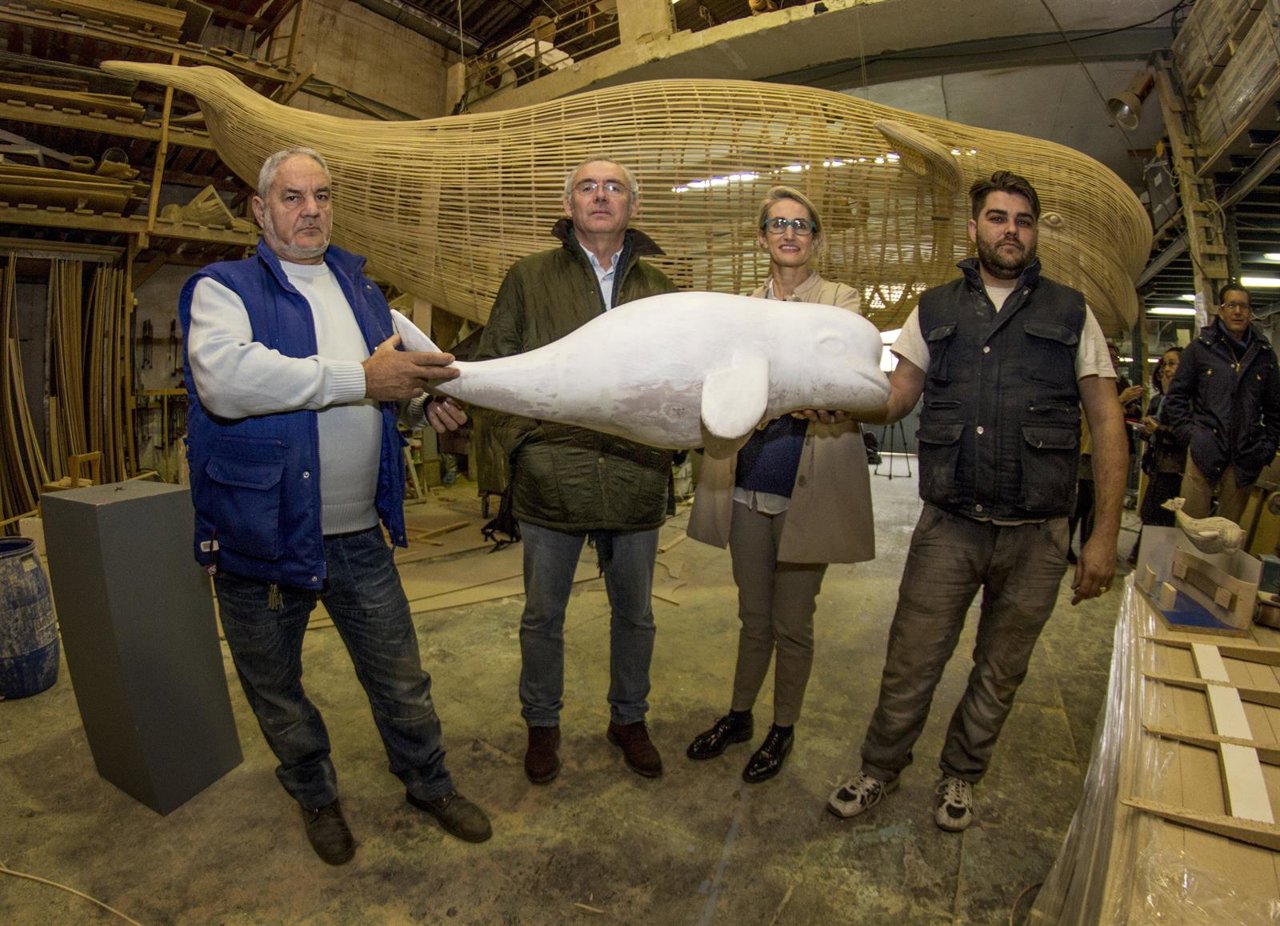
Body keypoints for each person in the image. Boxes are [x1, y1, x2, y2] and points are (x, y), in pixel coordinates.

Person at [180, 147, 492, 865]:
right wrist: (362, 377)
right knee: (279, 690)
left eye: (322, 195)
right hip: (261, 541)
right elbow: (228, 382)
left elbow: (388, 387)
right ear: (261, 211)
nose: (311, 210)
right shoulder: (222, 290)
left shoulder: (362, 292)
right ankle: (316, 796)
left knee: (401, 680)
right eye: (292, 197)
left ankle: (429, 782)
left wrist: (419, 403)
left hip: (357, 535)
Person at [826, 170, 1127, 832]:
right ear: (974, 228)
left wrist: (1102, 537)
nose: (1010, 229)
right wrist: (838, 392)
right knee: (912, 658)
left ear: (1034, 230)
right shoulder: (934, 310)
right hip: (951, 527)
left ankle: (961, 774)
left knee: (1000, 671)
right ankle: (880, 766)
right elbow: (899, 395)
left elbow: (1107, 423)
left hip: (1038, 534)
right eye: (997, 217)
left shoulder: (1071, 312)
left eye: (1023, 219)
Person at [474, 157, 678, 784]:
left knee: (636, 615)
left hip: (635, 474)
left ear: (632, 207)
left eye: (615, 186)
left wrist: (672, 446)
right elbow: (497, 364)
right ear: (569, 205)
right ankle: (542, 725)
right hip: (551, 473)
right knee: (542, 615)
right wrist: (521, 448)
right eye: (587, 187)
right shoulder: (529, 277)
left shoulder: (661, 289)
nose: (600, 195)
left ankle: (628, 718)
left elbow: (680, 378)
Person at [684, 186, 874, 783]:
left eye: (801, 225)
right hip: (745, 486)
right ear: (763, 238)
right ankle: (740, 715)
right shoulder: (741, 307)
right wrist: (788, 397)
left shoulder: (841, 299)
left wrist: (773, 396)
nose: (789, 234)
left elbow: (830, 383)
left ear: (815, 239)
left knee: (794, 622)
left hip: (807, 491)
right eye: (777, 225)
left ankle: (782, 726)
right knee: (753, 616)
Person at [1162, 284, 1280, 524]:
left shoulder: (1264, 355)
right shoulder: (1199, 350)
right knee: (1190, 528)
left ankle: (1223, 563)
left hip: (1244, 457)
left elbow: (1275, 409)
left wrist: (1267, 447)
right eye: (1231, 305)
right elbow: (1175, 398)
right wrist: (1191, 435)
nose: (1238, 311)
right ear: (1221, 311)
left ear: (1250, 312)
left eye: (1243, 306)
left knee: (1229, 535)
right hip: (1204, 451)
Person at [1132, 346, 1187, 558]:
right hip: (1157, 465)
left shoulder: (1187, 402)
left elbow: (1185, 435)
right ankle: (1144, 559)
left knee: (1163, 520)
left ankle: (1153, 563)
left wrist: (1159, 429)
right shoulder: (1160, 400)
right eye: (1164, 364)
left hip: (1174, 470)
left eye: (1172, 364)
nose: (1165, 369)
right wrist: (1147, 430)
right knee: (1149, 515)